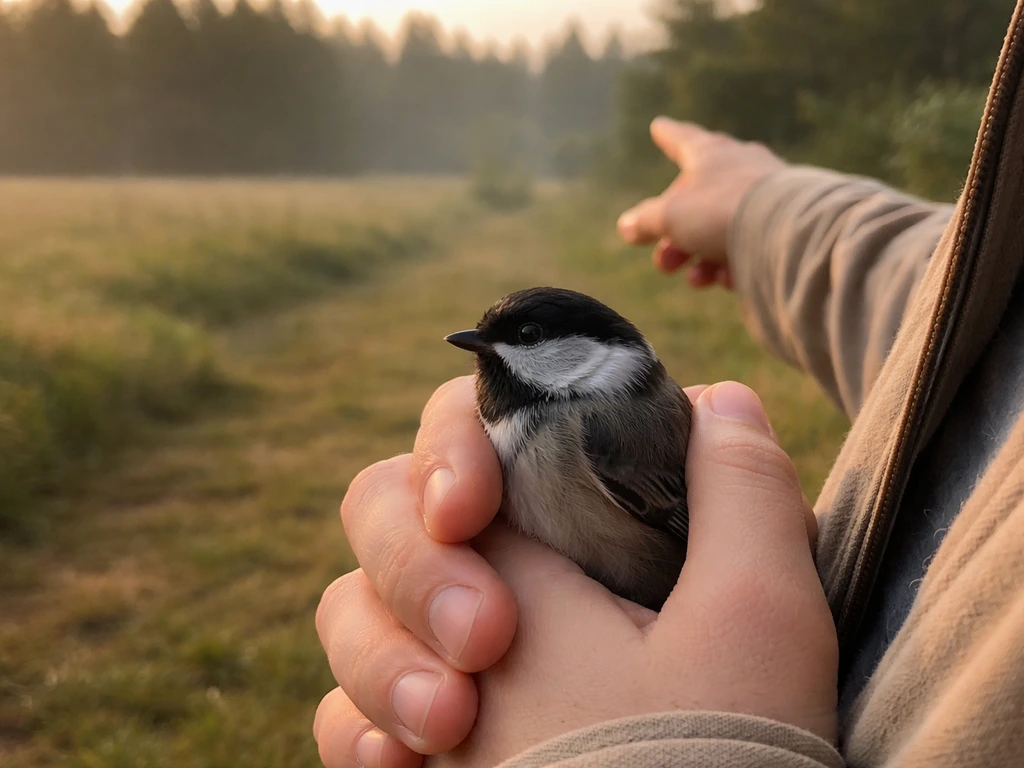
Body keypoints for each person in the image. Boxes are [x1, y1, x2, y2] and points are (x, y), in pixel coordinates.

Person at [313, 4, 1024, 765]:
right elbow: (971, 300)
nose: (489, 354)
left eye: (524, 342)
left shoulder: (598, 431)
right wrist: (765, 203)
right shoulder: (529, 416)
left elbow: (683, 547)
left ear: (588, 355)